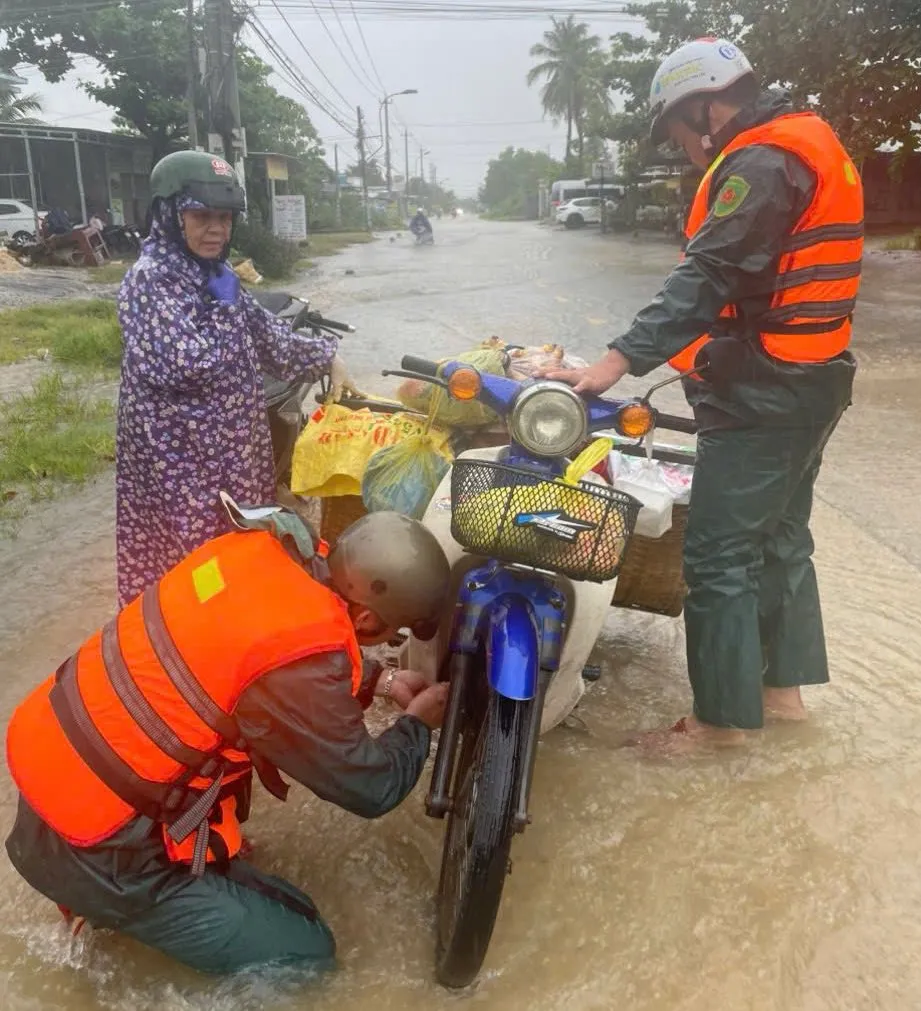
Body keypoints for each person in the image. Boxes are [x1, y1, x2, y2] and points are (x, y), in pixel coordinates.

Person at [544, 37, 863, 751]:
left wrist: (612, 362)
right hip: (812, 382)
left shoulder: (758, 163)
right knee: (780, 541)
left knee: (717, 556)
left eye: (680, 131)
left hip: (763, 393)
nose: (685, 149)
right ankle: (780, 699)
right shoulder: (804, 145)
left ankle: (716, 726)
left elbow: (705, 277)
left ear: (709, 108)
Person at [5, 505, 451, 975]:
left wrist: (376, 680)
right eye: (389, 630)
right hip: (95, 850)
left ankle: (127, 893)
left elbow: (248, 657)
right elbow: (370, 786)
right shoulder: (298, 665)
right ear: (364, 620)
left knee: (258, 865)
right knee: (307, 952)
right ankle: (109, 903)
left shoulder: (258, 553)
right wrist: (417, 724)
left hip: (49, 788)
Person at [114, 150, 351, 607]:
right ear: (170, 215)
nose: (217, 229)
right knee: (192, 568)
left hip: (235, 457)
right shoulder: (149, 281)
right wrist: (224, 309)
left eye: (224, 218)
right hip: (180, 463)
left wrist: (328, 359)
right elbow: (186, 365)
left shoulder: (215, 275)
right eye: (202, 216)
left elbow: (271, 339)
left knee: (241, 554)